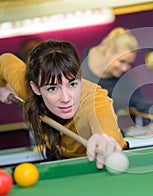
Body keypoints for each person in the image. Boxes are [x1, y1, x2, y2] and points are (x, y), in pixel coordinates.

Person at [0, 40, 126, 169]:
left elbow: (103, 119)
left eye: (72, 84)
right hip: (57, 156)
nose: (66, 99)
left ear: (81, 79)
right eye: (52, 88)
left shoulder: (93, 100)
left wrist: (107, 138)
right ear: (36, 88)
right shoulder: (26, 88)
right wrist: (2, 86)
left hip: (99, 158)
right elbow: (4, 60)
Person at [82, 27, 153, 134]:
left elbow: (146, 106)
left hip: (111, 136)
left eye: (129, 64)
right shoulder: (80, 65)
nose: (125, 68)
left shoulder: (124, 81)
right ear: (109, 51)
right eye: (122, 61)